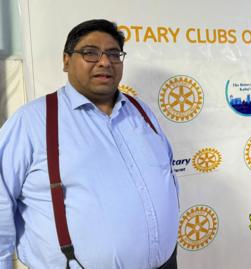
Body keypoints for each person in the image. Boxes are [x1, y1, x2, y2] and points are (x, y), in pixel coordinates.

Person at [0, 19, 179, 269]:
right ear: (66, 60)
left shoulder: (141, 111)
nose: (105, 62)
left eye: (114, 54)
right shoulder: (32, 121)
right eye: (90, 52)